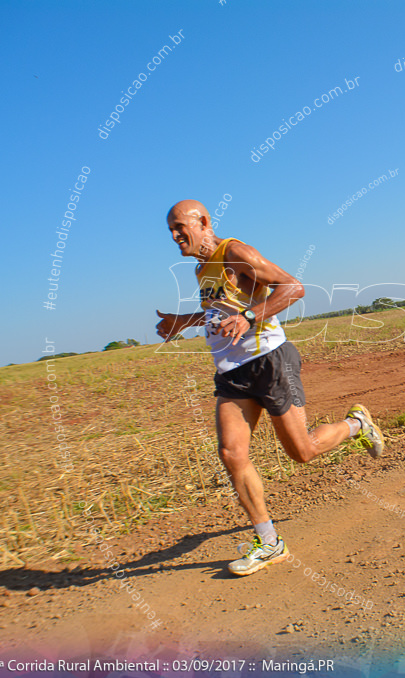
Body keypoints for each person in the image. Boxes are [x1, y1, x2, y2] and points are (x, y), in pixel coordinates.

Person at [156, 200, 384, 576]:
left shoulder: (236, 252)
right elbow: (220, 310)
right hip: (232, 371)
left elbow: (293, 288)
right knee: (231, 453)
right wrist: (184, 319)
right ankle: (270, 542)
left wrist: (249, 317)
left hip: (270, 361)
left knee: (303, 451)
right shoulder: (202, 269)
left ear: (204, 222)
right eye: (171, 230)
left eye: (181, 226)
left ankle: (357, 424)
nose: (176, 235)